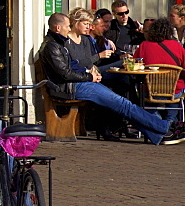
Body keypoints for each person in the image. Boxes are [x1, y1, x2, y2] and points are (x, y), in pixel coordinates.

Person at [38, 13, 174, 146]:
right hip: (69, 87)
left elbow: (73, 65)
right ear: (57, 28)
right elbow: (65, 74)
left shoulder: (58, 43)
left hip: (75, 84)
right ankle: (164, 128)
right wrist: (90, 77)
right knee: (122, 104)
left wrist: (89, 72)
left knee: (121, 104)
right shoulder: (52, 46)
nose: (69, 29)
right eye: (67, 26)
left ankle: (157, 135)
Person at [133, 18, 185, 122]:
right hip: (174, 90)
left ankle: (158, 123)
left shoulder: (144, 45)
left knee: (146, 102)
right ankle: (170, 123)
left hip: (151, 89)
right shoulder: (177, 46)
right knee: (175, 100)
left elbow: (135, 65)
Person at [67, 7, 113, 73]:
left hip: (88, 75)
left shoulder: (84, 39)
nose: (88, 27)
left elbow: (89, 64)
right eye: (85, 24)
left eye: (89, 24)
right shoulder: (66, 41)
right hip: (76, 78)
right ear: (75, 22)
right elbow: (75, 64)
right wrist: (98, 56)